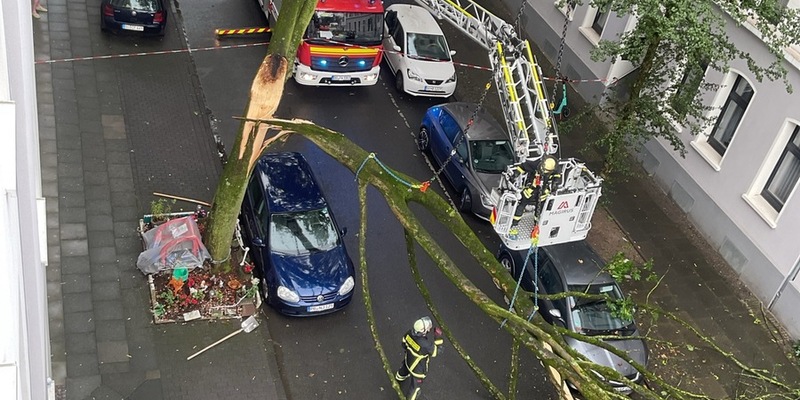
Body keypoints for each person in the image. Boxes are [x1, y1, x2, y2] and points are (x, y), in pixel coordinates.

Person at [395, 316, 444, 400]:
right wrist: (438, 338)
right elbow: (436, 352)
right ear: (422, 331)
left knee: (403, 370)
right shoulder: (425, 345)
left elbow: (403, 343)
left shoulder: (409, 333)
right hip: (418, 370)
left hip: (408, 361)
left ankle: (397, 379)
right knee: (414, 387)